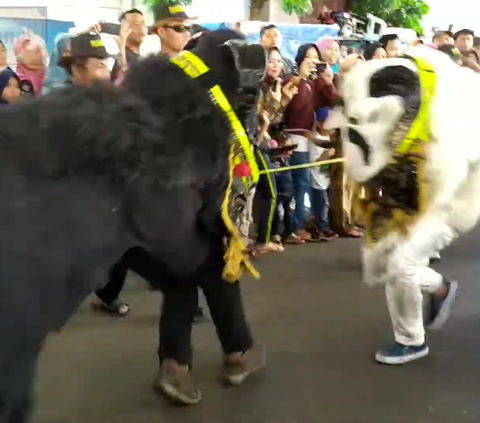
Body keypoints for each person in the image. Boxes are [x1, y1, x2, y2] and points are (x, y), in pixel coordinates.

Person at [111, 8, 147, 81]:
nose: (141, 27)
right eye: (135, 24)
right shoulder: (122, 58)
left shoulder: (142, 59)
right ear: (124, 29)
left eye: (142, 23)